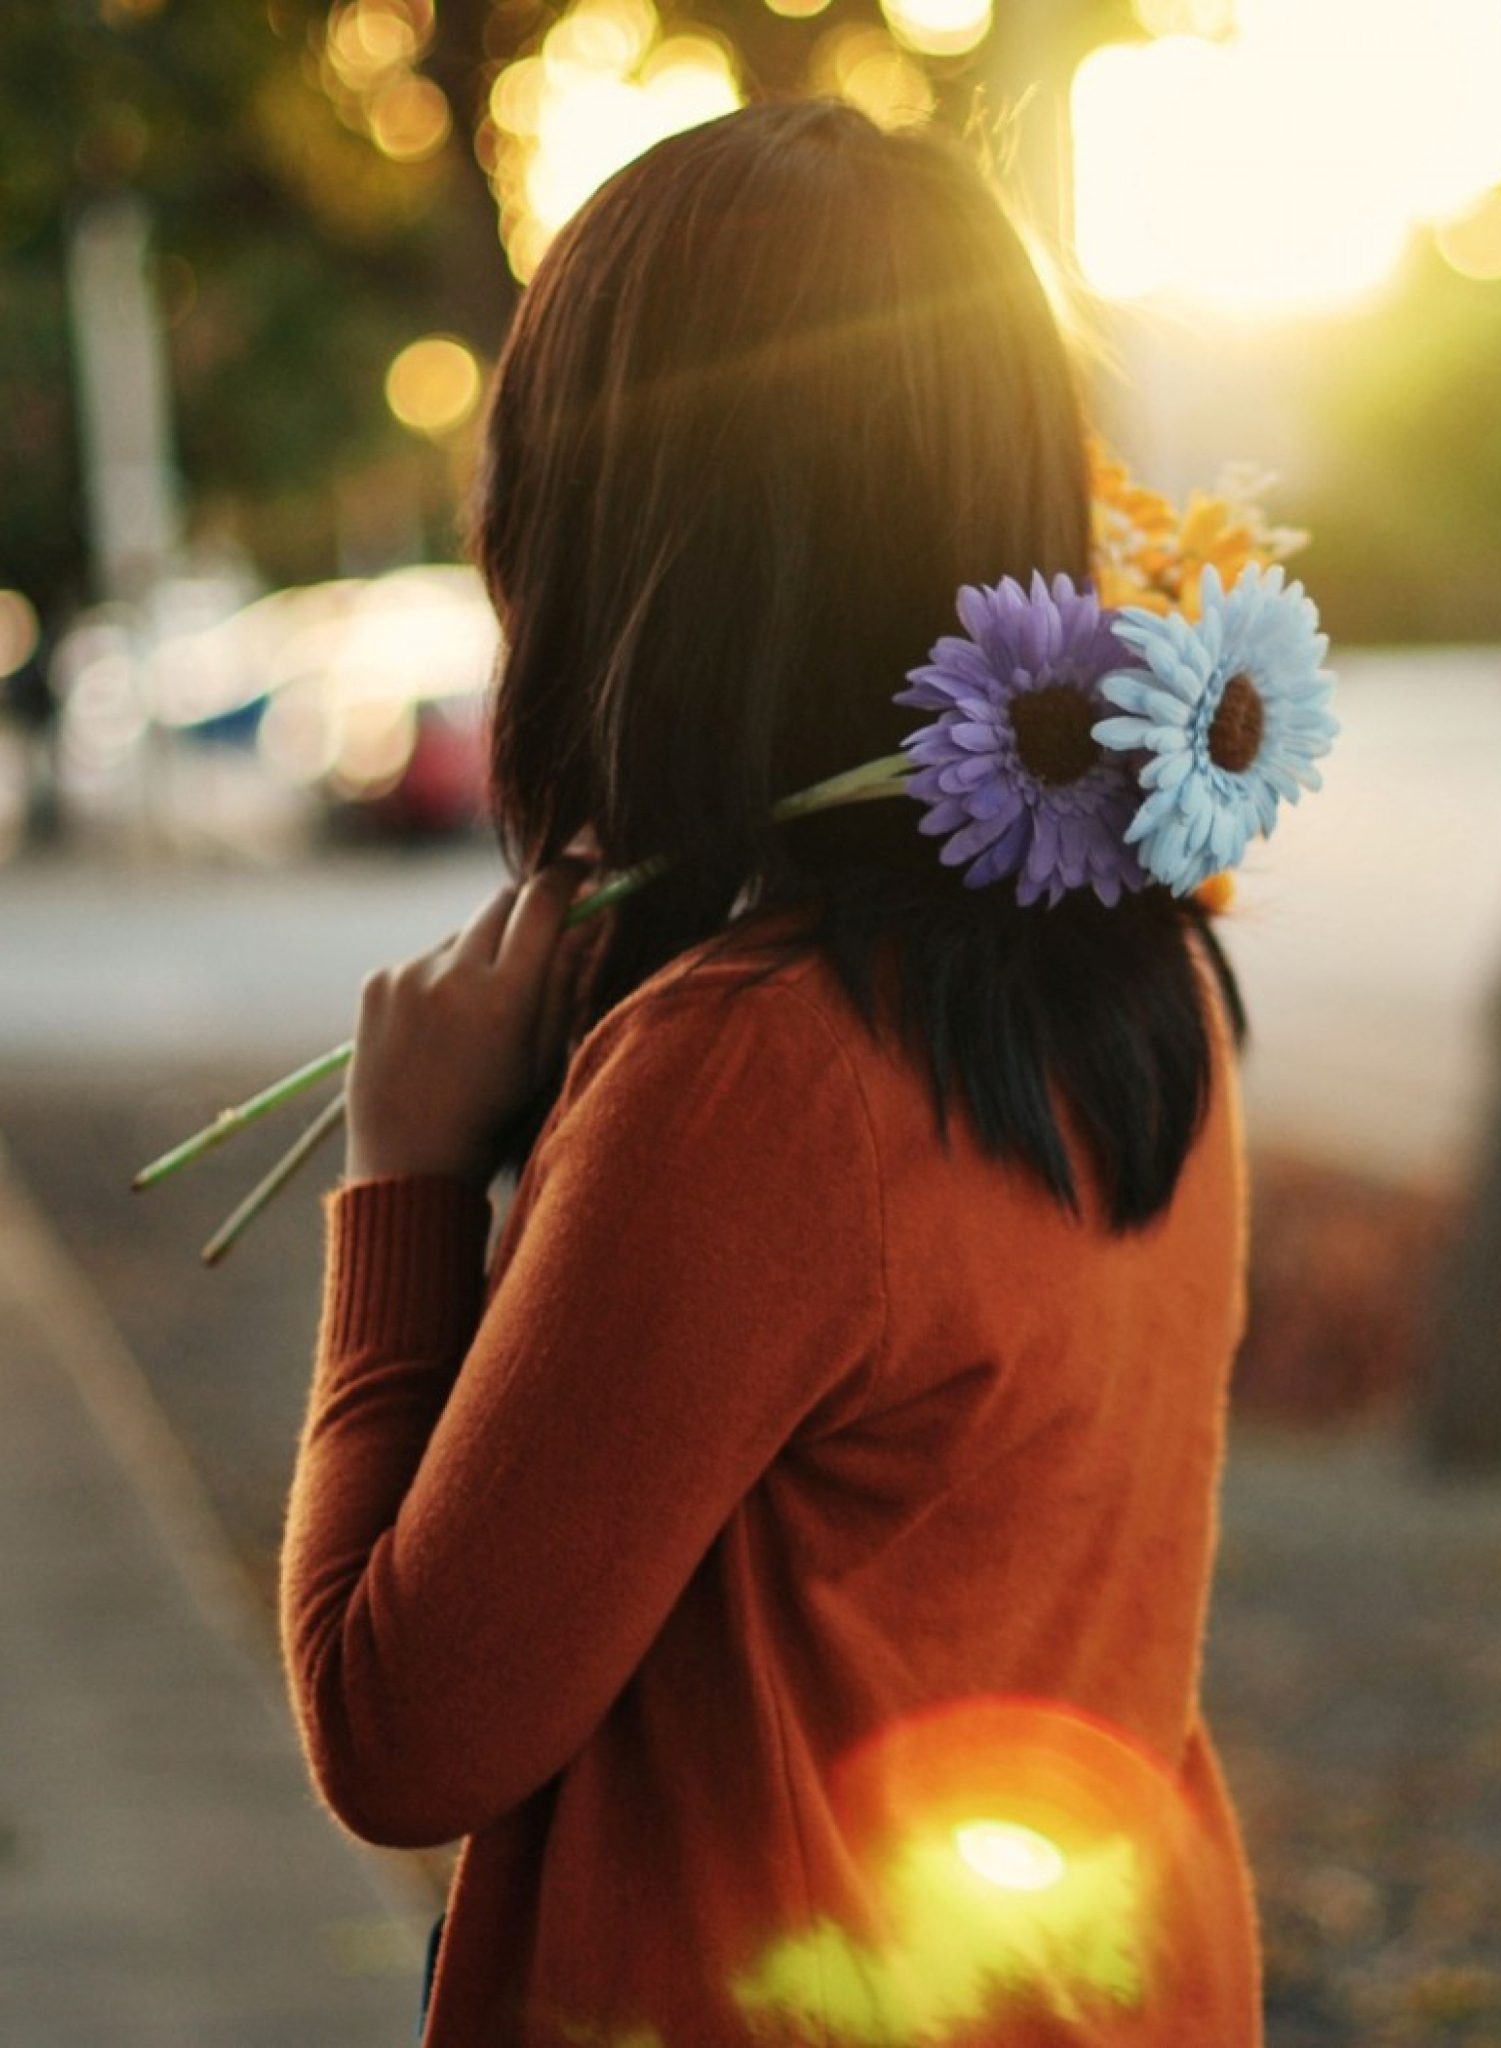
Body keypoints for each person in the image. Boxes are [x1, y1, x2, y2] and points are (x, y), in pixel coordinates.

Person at [281, 99, 1265, 2047]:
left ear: (613, 524)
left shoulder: (765, 1066)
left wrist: (400, 1177)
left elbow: (400, 1728)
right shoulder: (1149, 963)